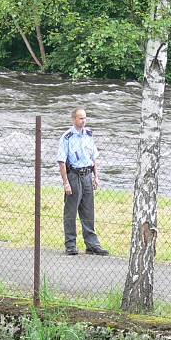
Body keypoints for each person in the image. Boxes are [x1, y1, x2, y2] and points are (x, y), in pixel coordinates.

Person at [56, 107, 109, 256]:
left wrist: (96, 177)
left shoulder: (88, 135)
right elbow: (61, 161)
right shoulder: (66, 137)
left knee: (88, 211)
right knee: (71, 212)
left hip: (87, 175)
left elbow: (93, 158)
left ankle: (92, 245)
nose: (83, 120)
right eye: (80, 118)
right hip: (73, 175)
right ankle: (71, 244)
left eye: (85, 118)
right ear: (73, 119)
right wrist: (65, 182)